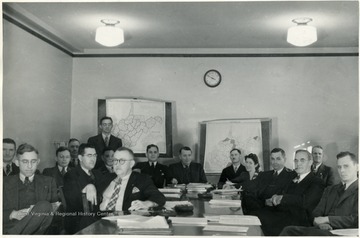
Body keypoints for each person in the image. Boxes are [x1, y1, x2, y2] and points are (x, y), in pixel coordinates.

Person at [280, 151, 358, 236]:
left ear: (357, 167)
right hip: (323, 231)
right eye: (339, 167)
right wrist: (320, 223)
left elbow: (356, 219)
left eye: (346, 166)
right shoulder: (330, 190)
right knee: (289, 230)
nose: (342, 170)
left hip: (347, 233)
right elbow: (316, 212)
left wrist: (328, 220)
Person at [256, 149, 325, 236]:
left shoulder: (317, 181)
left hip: (301, 222)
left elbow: (306, 202)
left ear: (310, 162)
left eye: (302, 160)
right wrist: (274, 200)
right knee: (257, 215)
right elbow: (284, 197)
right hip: (287, 217)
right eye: (296, 160)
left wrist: (282, 198)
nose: (298, 163)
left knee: (261, 219)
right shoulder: (293, 180)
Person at [3, 143, 58, 234]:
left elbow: (57, 213)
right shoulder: (4, 182)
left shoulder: (49, 181)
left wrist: (38, 212)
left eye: (33, 161)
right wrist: (12, 214)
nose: (29, 166)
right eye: (25, 161)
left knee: (44, 206)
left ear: (38, 162)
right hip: (11, 226)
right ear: (17, 162)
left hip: (39, 231)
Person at [63, 143, 115, 234]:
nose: (93, 159)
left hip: (99, 216)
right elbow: (74, 202)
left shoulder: (98, 173)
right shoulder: (70, 175)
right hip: (79, 220)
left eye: (95, 155)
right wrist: (87, 187)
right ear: (80, 158)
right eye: (89, 155)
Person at [100, 147, 166, 211]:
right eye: (115, 160)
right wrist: (89, 186)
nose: (117, 164)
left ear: (131, 164)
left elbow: (159, 197)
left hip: (122, 219)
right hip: (99, 217)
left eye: (122, 160)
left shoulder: (142, 179)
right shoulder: (105, 177)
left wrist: (146, 203)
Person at [242, 148, 296, 215]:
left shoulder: (292, 175)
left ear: (284, 160)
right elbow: (249, 189)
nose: (275, 162)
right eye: (272, 159)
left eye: (278, 159)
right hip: (261, 210)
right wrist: (263, 202)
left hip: (279, 214)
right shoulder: (264, 175)